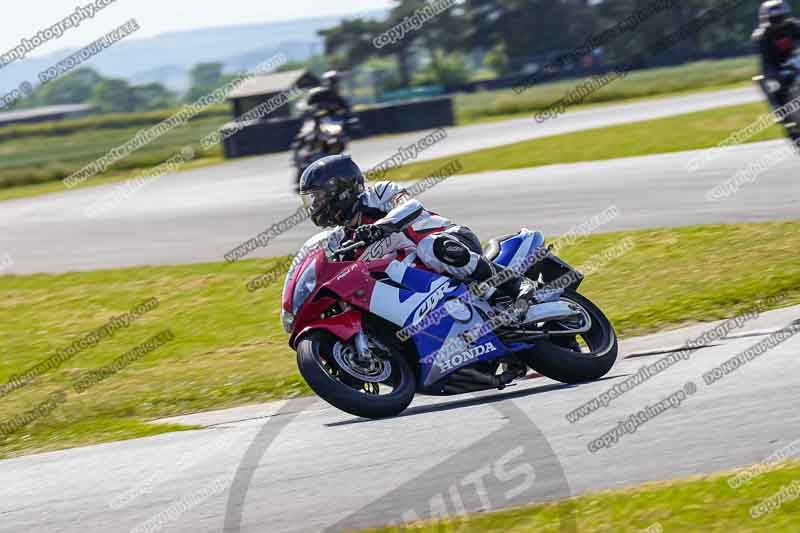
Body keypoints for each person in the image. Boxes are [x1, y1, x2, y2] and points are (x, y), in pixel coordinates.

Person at [297, 154, 522, 306]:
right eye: (312, 200)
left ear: (342, 189)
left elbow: (411, 207)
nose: (315, 205)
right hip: (417, 276)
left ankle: (514, 283)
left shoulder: (380, 194)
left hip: (452, 241)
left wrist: (379, 228)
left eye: (319, 197)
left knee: (430, 247)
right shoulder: (338, 238)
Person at [753, 1, 800, 112]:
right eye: (774, 18)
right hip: (774, 67)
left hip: (793, 60)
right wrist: (772, 74)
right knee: (771, 84)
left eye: (780, 16)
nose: (778, 20)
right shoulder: (762, 36)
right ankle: (778, 109)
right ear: (766, 19)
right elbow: (765, 60)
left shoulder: (792, 26)